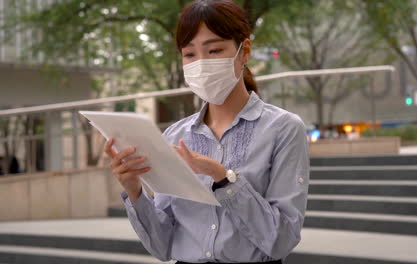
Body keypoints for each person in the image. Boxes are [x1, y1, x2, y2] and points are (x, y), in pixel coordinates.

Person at [104, 0, 309, 263]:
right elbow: (162, 246)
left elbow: (281, 240)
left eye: (214, 50)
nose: (200, 63)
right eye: (189, 54)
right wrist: (134, 190)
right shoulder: (175, 136)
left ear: (244, 51)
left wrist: (223, 178)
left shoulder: (284, 129)